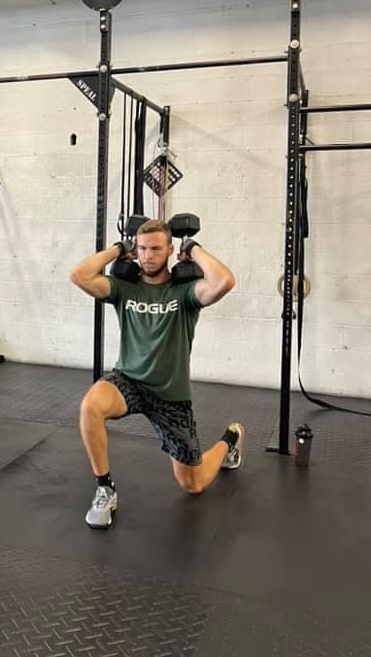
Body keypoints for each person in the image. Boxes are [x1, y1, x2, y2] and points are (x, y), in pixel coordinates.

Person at [69, 218, 243, 529]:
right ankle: (105, 489)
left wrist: (194, 248)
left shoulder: (186, 293)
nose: (147, 256)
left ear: (170, 250)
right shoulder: (124, 288)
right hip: (128, 381)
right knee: (90, 406)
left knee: (193, 483)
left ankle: (230, 441)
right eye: (142, 249)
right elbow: (79, 275)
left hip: (170, 395)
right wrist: (117, 248)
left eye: (156, 249)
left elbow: (224, 281)